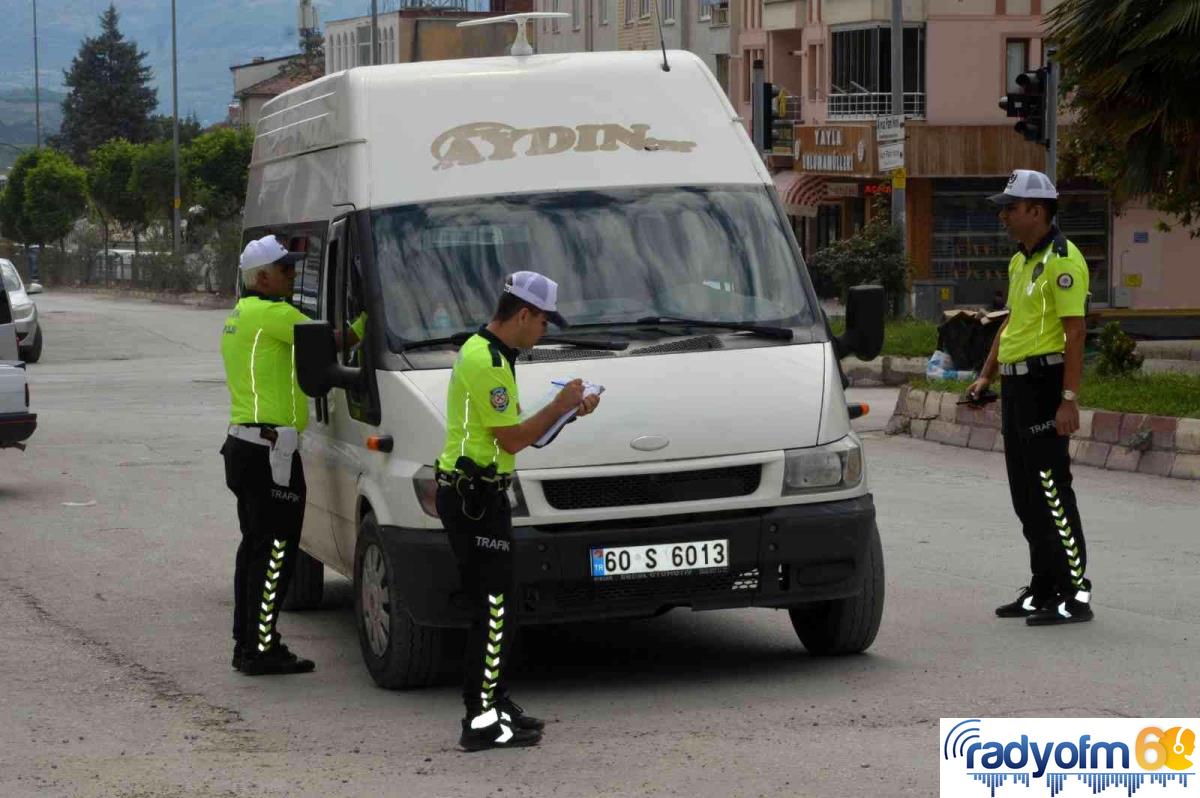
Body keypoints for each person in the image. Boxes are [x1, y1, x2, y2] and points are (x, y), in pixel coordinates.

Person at [436, 271, 600, 751]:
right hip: (472, 498)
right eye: (545, 320)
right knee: (491, 607)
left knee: (500, 605)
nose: (546, 330)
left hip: (483, 493)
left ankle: (494, 702)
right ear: (523, 313)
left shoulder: (495, 355)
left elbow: (520, 436)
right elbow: (512, 438)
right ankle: (480, 719)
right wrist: (558, 403)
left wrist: (567, 412)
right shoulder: (486, 361)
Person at [967, 169, 1094, 626]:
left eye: (1011, 207)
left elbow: (1075, 332)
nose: (1003, 215)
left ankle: (1075, 593)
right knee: (1026, 494)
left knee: (1052, 491)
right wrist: (986, 376)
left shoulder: (1063, 260)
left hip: (1046, 384)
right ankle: (1044, 587)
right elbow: (1011, 324)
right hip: (1018, 386)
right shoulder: (1022, 260)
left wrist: (1069, 399)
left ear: (1037, 211)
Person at [220, 234, 318, 675]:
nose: (293, 275)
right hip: (271, 453)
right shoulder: (275, 314)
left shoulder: (241, 313)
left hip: (245, 446)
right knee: (277, 552)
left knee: (255, 551)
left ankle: (251, 644)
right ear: (262, 277)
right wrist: (362, 326)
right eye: (285, 269)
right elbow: (327, 339)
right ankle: (260, 648)